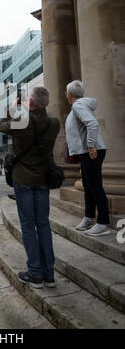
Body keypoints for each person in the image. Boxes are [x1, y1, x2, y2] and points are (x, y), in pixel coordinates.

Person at [0, 87, 60, 289]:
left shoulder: (22, 122)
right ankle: (48, 275)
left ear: (31, 103)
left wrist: (14, 108)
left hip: (23, 179)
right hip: (43, 179)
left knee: (28, 225)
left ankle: (34, 273)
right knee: (43, 225)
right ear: (47, 103)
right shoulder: (54, 123)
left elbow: (2, 126)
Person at [65, 80, 110, 236]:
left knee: (95, 185)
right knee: (88, 185)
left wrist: (91, 146)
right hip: (86, 151)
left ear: (69, 94)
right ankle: (89, 217)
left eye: (66, 92)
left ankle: (103, 222)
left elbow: (92, 124)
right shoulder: (78, 106)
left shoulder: (78, 105)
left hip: (92, 151)